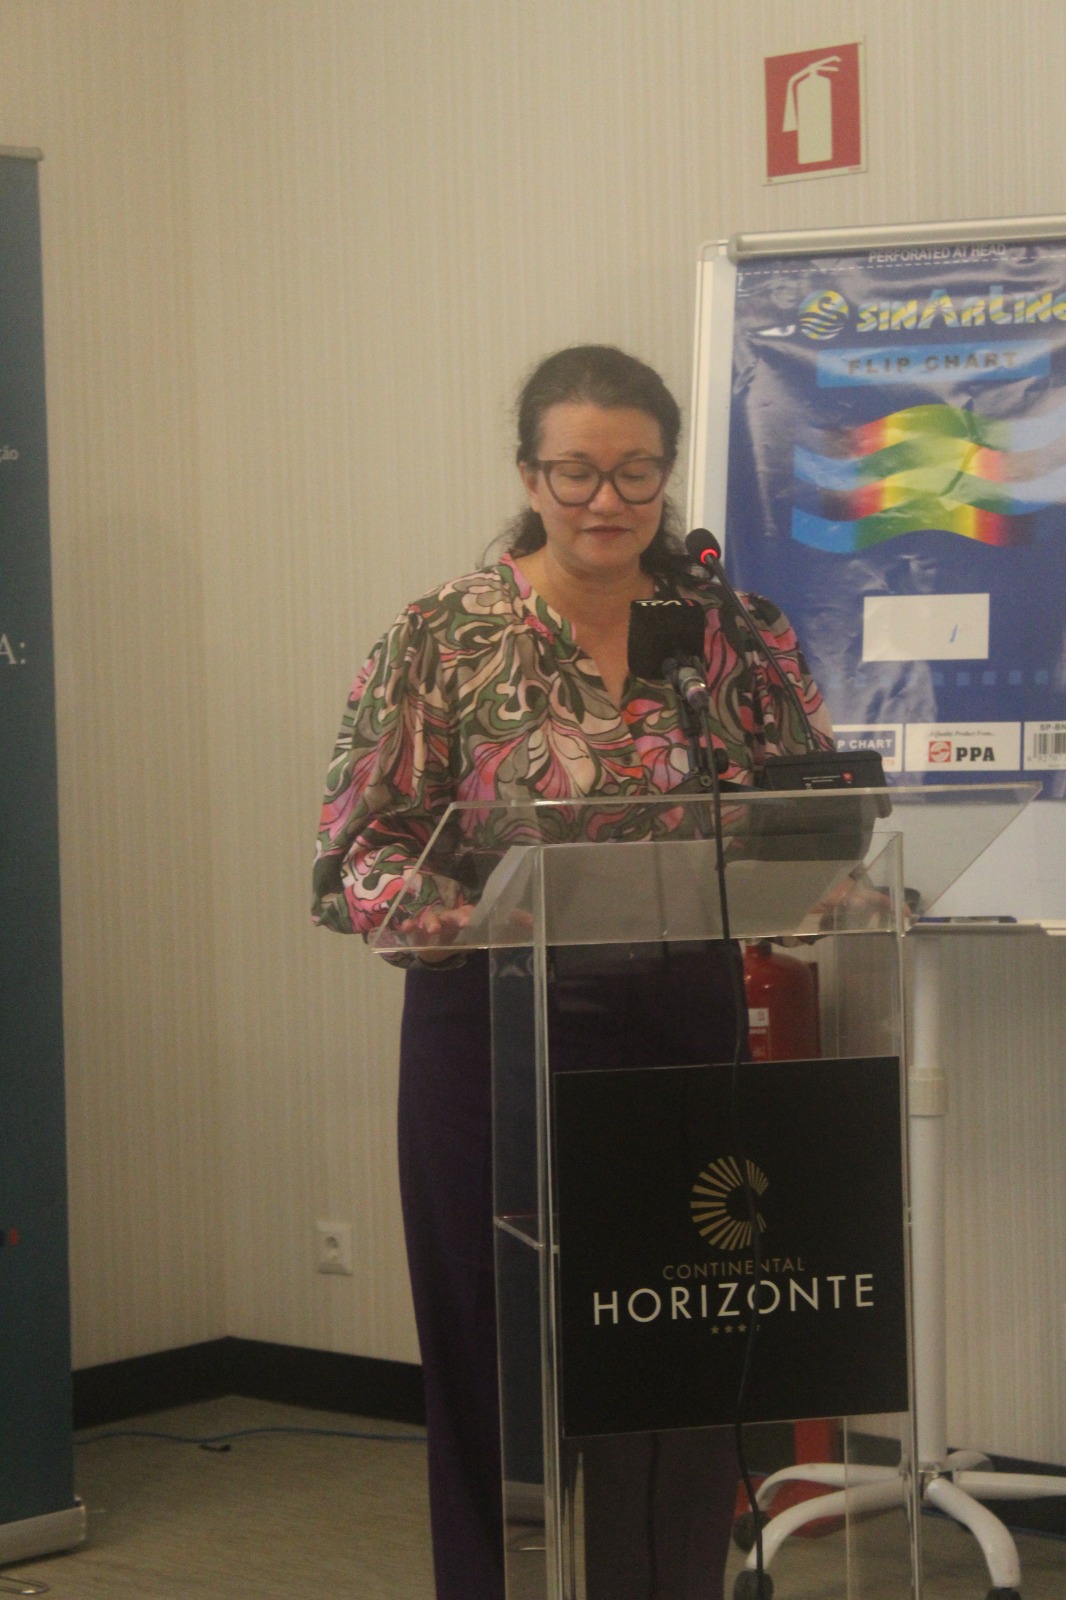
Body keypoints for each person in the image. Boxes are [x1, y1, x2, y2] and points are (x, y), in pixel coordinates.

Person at [312, 345, 833, 1600]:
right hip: (492, 1029)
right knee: (495, 1352)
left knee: (680, 1347)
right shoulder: (445, 633)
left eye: (636, 472)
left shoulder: (731, 631)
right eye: (577, 472)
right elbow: (357, 850)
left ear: (668, 472)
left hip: (683, 1019)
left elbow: (810, 804)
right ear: (527, 475)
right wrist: (466, 916)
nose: (608, 500)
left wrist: (833, 876)